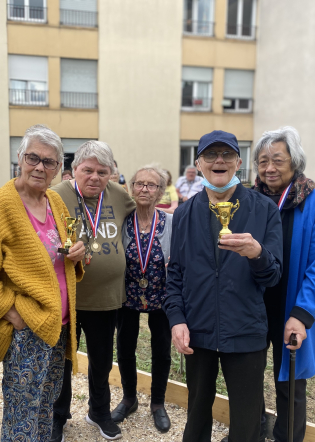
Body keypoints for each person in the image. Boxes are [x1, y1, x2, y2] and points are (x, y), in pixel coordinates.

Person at [0, 125, 85, 441]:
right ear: (19, 159)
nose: (40, 167)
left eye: (49, 162)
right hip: (27, 328)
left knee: (46, 408)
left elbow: (67, 247)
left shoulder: (55, 202)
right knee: (21, 415)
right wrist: (11, 313)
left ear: (59, 169)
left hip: (59, 325)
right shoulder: (0, 205)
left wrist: (77, 252)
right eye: (33, 158)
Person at [163, 130, 283, 442]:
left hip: (246, 331)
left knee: (246, 422)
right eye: (211, 155)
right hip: (198, 332)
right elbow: (174, 273)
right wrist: (176, 319)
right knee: (197, 413)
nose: (220, 160)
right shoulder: (185, 212)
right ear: (198, 163)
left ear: (239, 162)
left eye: (227, 154)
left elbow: (273, 276)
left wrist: (258, 255)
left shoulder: (264, 209)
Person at [252, 126, 315, 442]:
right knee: (248, 377)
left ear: (294, 161)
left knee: (289, 384)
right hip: (253, 308)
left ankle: (286, 437)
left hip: (291, 309)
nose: (269, 168)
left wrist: (300, 315)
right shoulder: (249, 200)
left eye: (277, 160)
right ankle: (252, 430)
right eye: (263, 161)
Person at [50, 141, 136, 441]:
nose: (95, 177)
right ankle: (58, 416)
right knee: (61, 361)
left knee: (101, 359)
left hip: (107, 298)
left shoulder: (121, 197)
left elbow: (143, 217)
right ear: (74, 171)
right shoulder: (55, 196)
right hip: (66, 298)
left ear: (111, 173)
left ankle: (98, 411)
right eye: (88, 170)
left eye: (102, 172)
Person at [112, 165, 173, 433]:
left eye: (152, 185)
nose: (145, 189)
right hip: (128, 295)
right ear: (132, 188)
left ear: (161, 191)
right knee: (125, 347)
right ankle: (129, 398)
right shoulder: (122, 221)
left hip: (162, 296)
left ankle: (158, 403)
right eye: (140, 184)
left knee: (162, 350)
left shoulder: (171, 222)